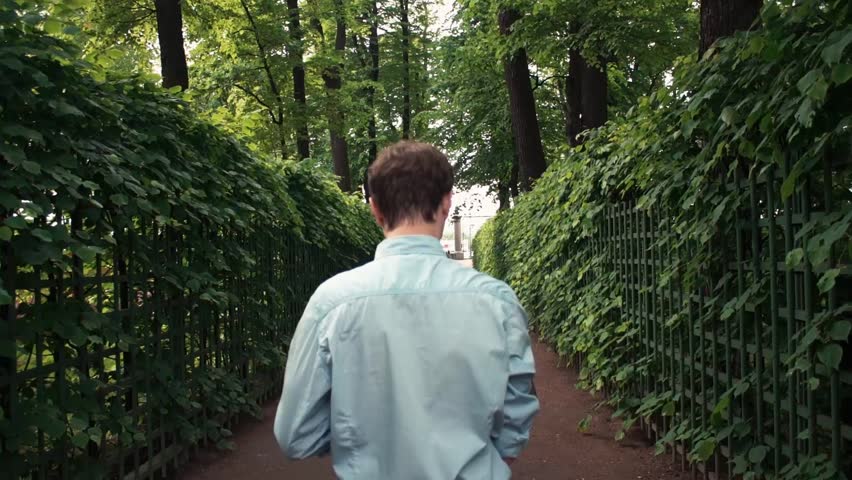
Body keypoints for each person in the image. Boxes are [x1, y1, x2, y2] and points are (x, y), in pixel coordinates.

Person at [273, 141, 539, 479]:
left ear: (375, 208)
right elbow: (517, 406)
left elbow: (295, 434)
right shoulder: (497, 301)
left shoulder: (332, 302)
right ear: (446, 203)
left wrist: (357, 442)